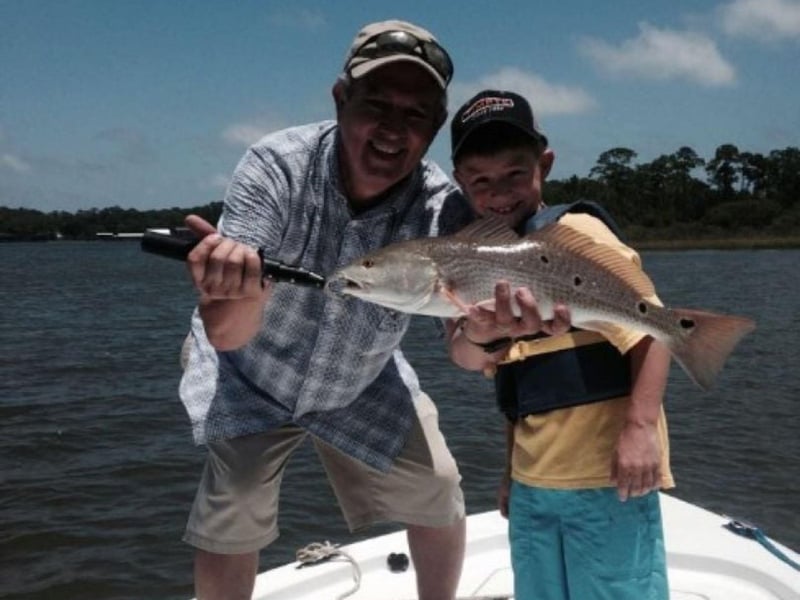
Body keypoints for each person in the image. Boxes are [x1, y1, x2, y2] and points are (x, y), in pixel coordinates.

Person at [176, 21, 562, 600]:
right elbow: (228, 336)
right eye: (375, 104)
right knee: (235, 505)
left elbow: (461, 349)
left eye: (416, 114)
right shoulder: (276, 166)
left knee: (438, 489)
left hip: (360, 375)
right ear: (340, 98)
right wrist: (233, 291)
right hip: (248, 372)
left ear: (434, 126)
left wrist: (486, 337)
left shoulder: (444, 211)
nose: (391, 128)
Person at [446, 90, 675, 600]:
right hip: (532, 486)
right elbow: (515, 387)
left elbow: (653, 332)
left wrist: (640, 431)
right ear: (460, 182)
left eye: (514, 173)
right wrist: (510, 473)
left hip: (606, 478)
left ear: (544, 165)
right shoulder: (478, 261)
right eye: (480, 180)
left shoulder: (576, 234)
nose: (499, 193)